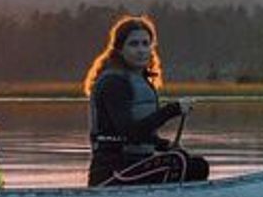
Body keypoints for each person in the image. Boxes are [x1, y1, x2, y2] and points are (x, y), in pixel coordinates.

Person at [83, 15, 209, 187]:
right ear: (120, 49)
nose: (141, 50)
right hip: (113, 172)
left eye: (146, 43)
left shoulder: (140, 79)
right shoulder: (114, 83)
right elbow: (130, 133)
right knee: (178, 162)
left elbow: (141, 135)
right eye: (133, 44)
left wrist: (165, 145)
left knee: (196, 165)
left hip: (136, 165)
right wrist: (173, 110)